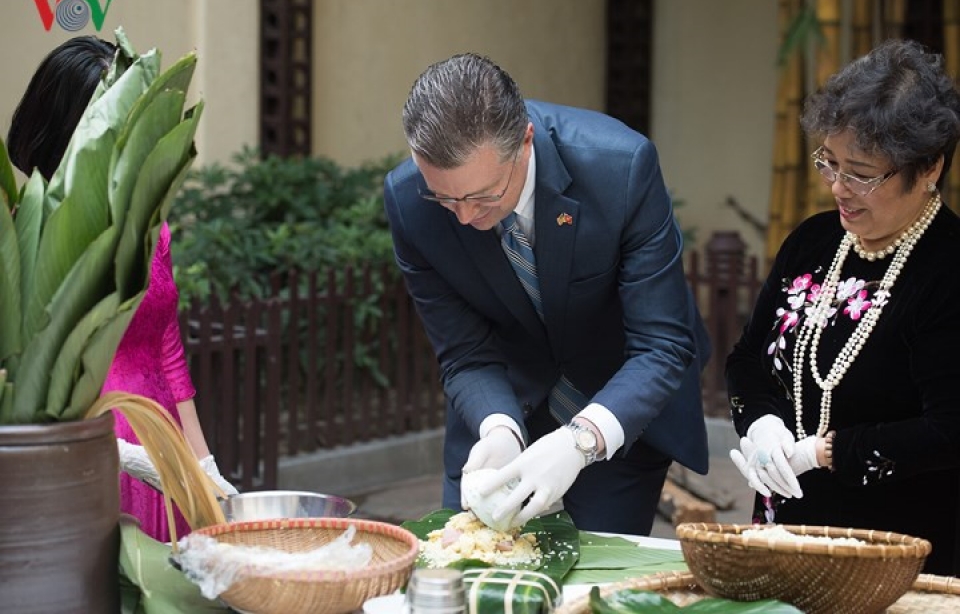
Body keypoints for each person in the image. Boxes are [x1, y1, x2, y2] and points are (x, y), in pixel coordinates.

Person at [383, 53, 710, 535]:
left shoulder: (620, 168)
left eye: (484, 196)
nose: (465, 217)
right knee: (470, 577)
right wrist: (497, 428)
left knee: (590, 592)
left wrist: (580, 441)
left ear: (525, 142)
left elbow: (661, 345)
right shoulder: (409, 200)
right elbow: (464, 352)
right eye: (446, 198)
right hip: (501, 408)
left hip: (616, 408)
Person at [727, 39, 960, 576]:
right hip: (785, 521)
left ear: (928, 169)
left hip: (897, 543)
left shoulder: (948, 269)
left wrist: (826, 452)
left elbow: (950, 427)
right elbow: (747, 358)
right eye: (829, 163)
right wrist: (761, 423)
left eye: (860, 173)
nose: (838, 187)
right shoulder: (813, 241)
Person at [6, 35, 237, 543]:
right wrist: (115, 450)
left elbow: (166, 348)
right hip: (84, 458)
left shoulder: (151, 226)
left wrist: (204, 465)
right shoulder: (26, 239)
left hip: (163, 452)